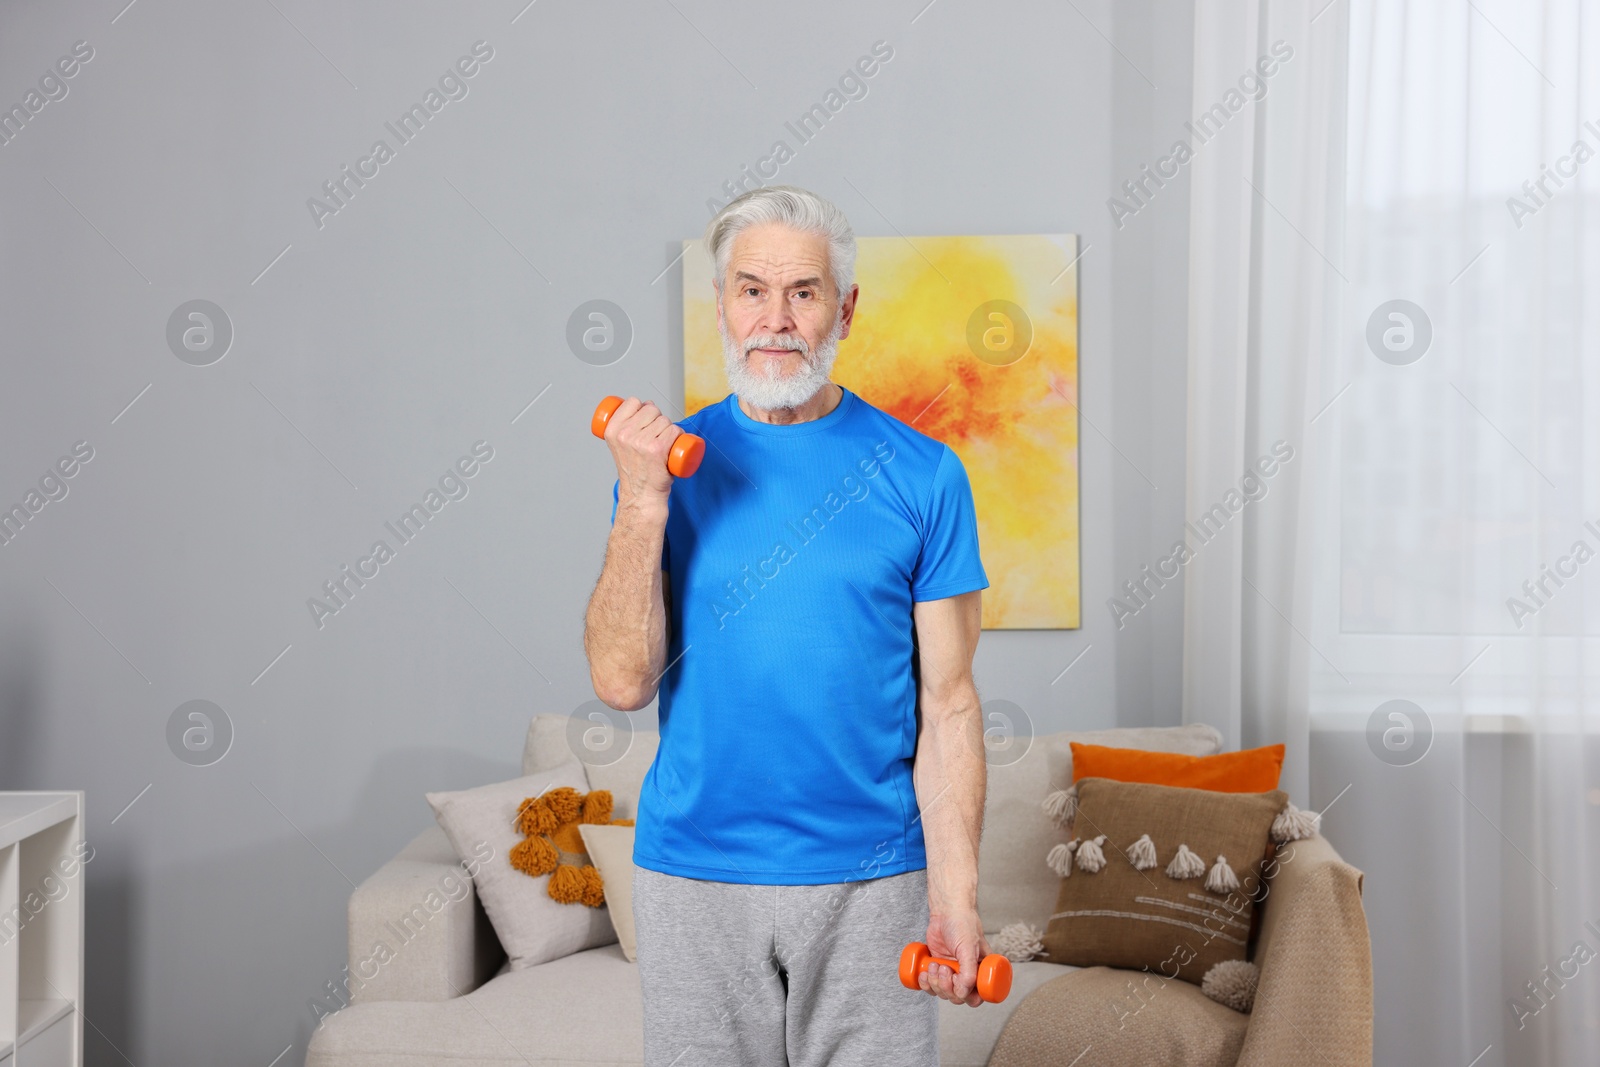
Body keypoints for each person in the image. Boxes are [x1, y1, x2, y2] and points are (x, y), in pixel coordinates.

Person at [584, 185, 991, 1067]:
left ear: (844, 308)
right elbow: (620, 682)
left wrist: (956, 892)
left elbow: (950, 705)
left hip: (872, 880)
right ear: (723, 304)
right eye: (751, 289)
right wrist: (644, 500)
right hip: (694, 874)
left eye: (803, 292)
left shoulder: (924, 477)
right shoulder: (662, 470)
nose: (775, 318)